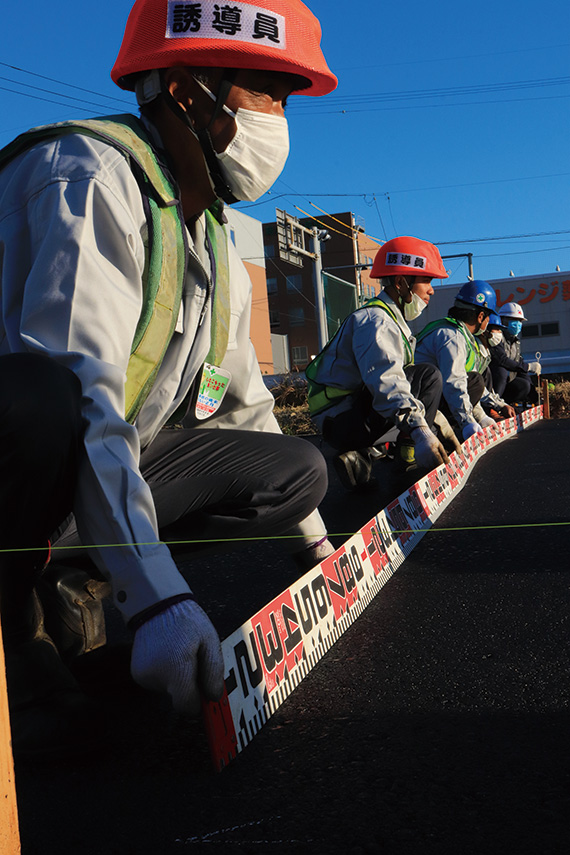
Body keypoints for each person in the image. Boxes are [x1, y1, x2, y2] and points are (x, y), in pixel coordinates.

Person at [0, 0, 338, 756]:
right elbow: (83, 393)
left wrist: (323, 554)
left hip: (66, 471)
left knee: (297, 473)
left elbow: (244, 404)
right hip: (21, 448)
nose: (279, 121)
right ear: (187, 91)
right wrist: (160, 602)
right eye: (266, 94)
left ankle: (73, 587)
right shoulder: (89, 180)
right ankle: (15, 637)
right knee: (43, 400)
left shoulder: (213, 242)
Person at [306, 236, 450, 489]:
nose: (431, 289)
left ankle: (358, 456)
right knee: (427, 376)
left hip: (343, 416)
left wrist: (435, 419)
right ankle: (406, 458)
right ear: (400, 282)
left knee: (419, 377)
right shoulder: (378, 321)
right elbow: (388, 381)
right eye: (426, 280)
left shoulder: (386, 317)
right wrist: (422, 431)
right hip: (342, 421)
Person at [415, 280, 514, 440]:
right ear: (480, 316)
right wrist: (467, 422)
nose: (488, 323)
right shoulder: (453, 338)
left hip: (423, 393)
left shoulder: (458, 334)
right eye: (488, 318)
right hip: (421, 399)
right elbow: (455, 383)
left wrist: (482, 417)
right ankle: (438, 433)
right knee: (475, 381)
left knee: (475, 380)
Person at [490, 302, 541, 406]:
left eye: (520, 321)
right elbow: (502, 360)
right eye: (514, 320)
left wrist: (535, 398)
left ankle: (506, 404)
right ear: (502, 320)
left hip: (506, 383)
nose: (518, 324)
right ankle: (492, 407)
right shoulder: (496, 337)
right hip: (492, 382)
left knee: (524, 385)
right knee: (501, 371)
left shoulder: (515, 342)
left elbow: (520, 367)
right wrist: (527, 366)